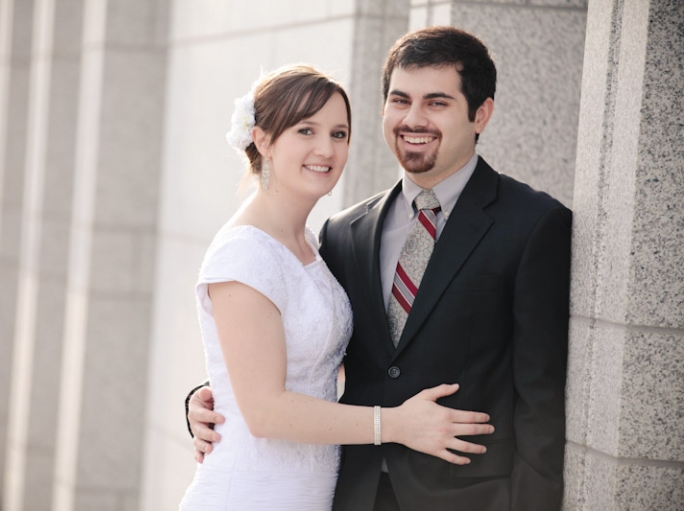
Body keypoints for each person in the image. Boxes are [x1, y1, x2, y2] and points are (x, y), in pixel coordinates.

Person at [188, 27, 572, 511]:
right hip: (349, 494)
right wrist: (215, 397)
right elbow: (281, 362)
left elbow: (543, 401)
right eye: (399, 100)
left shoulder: (533, 225)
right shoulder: (344, 233)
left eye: (436, 102)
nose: (413, 119)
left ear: (481, 114)